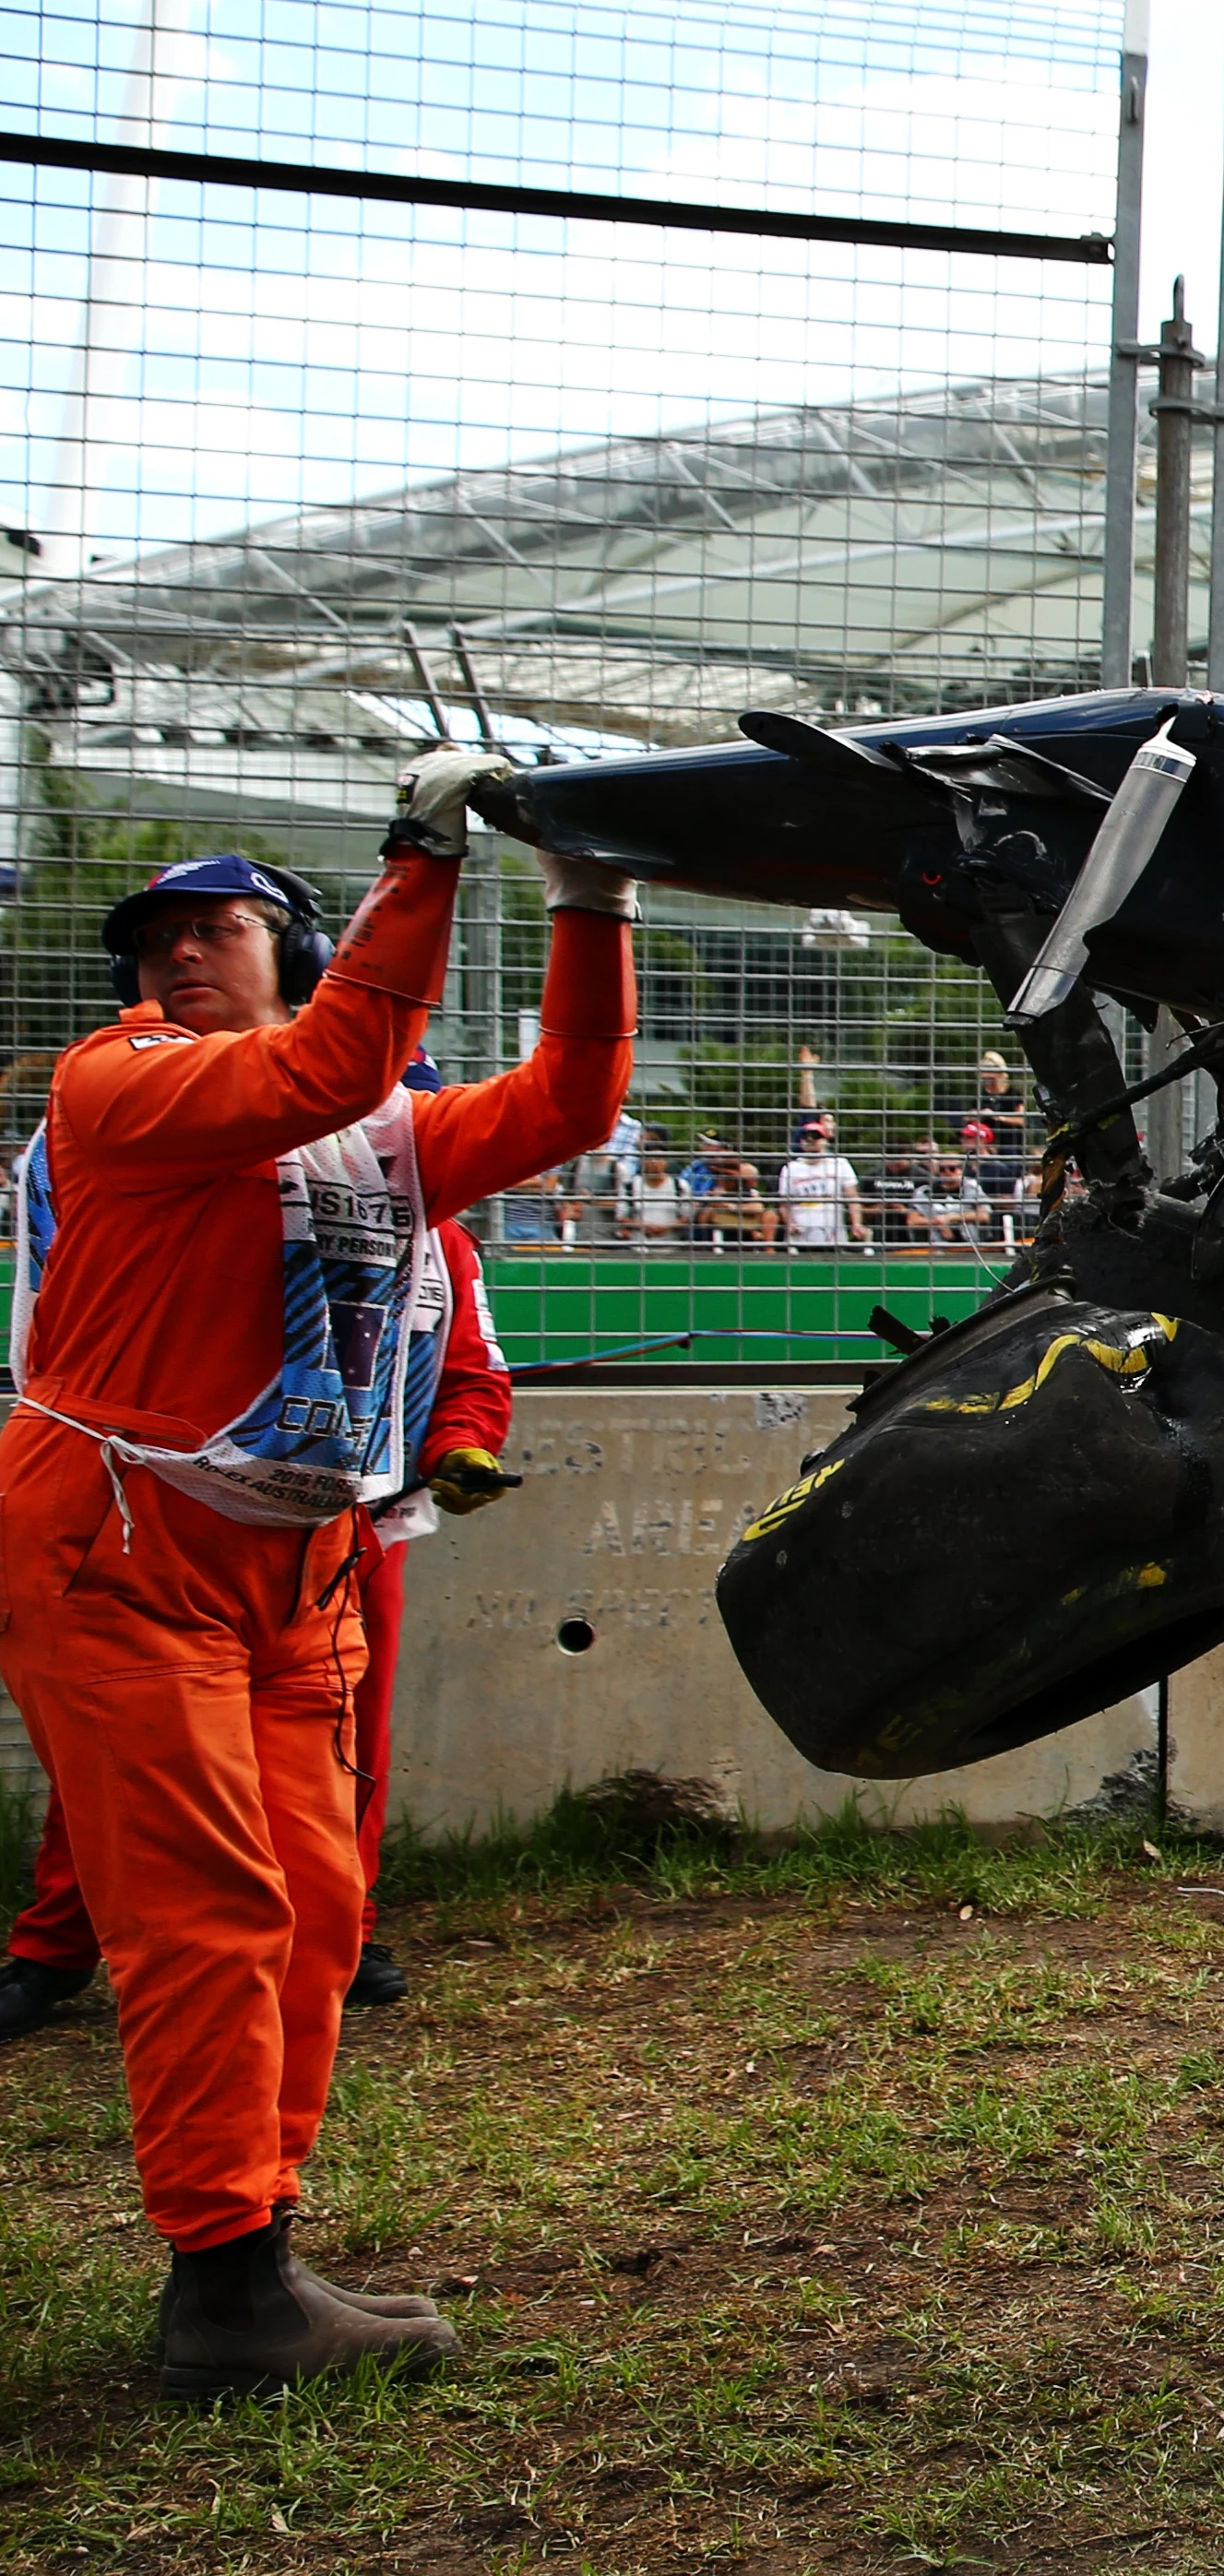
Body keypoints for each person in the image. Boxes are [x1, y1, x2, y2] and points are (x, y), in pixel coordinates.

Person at [0, 760, 631, 2396]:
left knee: (315, 1911)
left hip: (299, 1561)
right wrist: (425, 858)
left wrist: (591, 898)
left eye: (219, 928)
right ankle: (224, 2287)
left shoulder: (376, 1128)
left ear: (289, 945)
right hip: (123, 1549)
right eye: (160, 937)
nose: (179, 954)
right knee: (212, 1914)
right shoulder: (116, 1082)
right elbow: (327, 1061)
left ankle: (250, 2253)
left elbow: (570, 1101)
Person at [6, 1154, 515, 2032]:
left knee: (348, 1744)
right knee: (129, 1740)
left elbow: (471, 1373)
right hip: (184, 1519)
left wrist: (458, 1450)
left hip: (356, 1532)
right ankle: (55, 1944)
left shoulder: (449, 1247)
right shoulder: (253, 1214)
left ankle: (342, 1935)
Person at [776, 1118, 858, 1250]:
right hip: (800, 1238)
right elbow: (784, 1203)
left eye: (816, 1137)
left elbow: (852, 1197)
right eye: (807, 1138)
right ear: (801, 1143)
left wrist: (856, 1223)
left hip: (834, 1237)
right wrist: (790, 1223)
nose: (811, 1141)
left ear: (825, 1141)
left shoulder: (840, 1164)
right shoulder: (790, 1168)